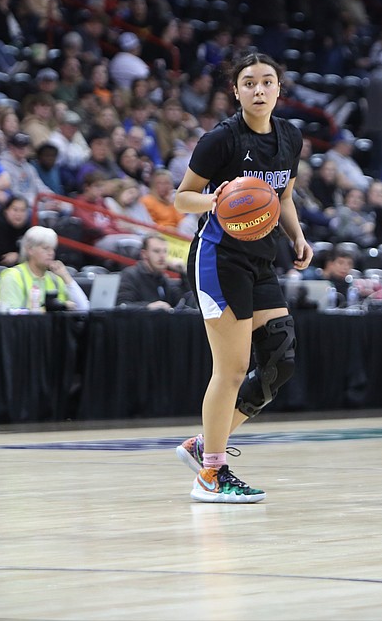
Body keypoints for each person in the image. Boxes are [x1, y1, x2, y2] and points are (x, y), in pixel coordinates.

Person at [173, 52, 312, 504]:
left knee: (280, 359)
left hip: (261, 258)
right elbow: (182, 199)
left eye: (267, 82)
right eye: (248, 82)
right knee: (231, 370)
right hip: (218, 259)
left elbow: (283, 197)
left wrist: (297, 237)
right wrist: (217, 199)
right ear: (236, 91)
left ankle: (203, 445)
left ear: (278, 89)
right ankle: (211, 474)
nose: (258, 89)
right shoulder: (221, 140)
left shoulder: (290, 137)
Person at [0, 226, 89, 311]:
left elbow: (84, 307)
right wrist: (50, 309)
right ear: (29, 250)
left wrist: (66, 277)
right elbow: (9, 315)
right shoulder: (12, 276)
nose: (51, 253)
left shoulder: (56, 278)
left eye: (53, 249)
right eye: (45, 248)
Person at [114, 233, 186, 309]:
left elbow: (183, 300)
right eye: (156, 251)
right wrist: (148, 307)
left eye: (165, 251)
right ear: (144, 254)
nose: (162, 256)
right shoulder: (130, 275)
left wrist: (184, 273)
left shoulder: (163, 279)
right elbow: (122, 306)